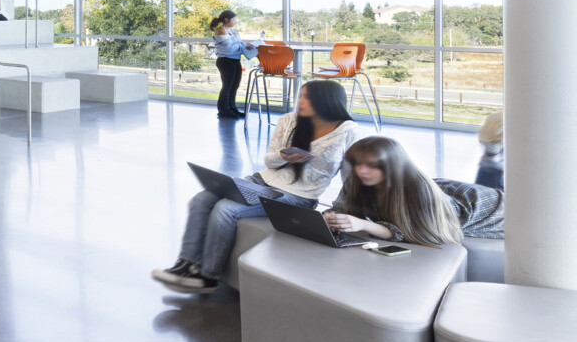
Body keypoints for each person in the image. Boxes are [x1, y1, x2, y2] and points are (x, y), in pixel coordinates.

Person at [152, 80, 359, 292]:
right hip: (261, 180)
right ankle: (186, 263)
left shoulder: (348, 130)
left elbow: (350, 177)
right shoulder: (289, 120)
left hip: (299, 196)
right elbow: (269, 161)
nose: (300, 101)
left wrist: (339, 212)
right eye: (301, 96)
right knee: (201, 199)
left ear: (326, 101)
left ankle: (207, 276)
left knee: (226, 210)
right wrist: (284, 156)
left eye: (307, 97)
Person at [328, 135, 504, 245]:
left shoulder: (422, 194)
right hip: (450, 193)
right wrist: (330, 217)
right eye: (357, 163)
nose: (361, 170)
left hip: (495, 210)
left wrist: (366, 225)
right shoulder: (358, 178)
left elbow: (427, 234)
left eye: (372, 165)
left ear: (391, 167)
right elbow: (340, 207)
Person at [210, 10, 258, 119]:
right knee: (227, 86)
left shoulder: (232, 30)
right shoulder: (221, 31)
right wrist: (244, 45)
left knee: (234, 86)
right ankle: (223, 110)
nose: (235, 21)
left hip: (235, 60)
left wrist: (245, 45)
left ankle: (232, 108)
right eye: (233, 19)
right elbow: (230, 47)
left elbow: (238, 44)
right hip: (226, 61)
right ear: (227, 20)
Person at [475, 110, 504, 190]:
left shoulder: (499, 115)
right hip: (493, 139)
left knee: (489, 156)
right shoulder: (505, 120)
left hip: (484, 137)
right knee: (491, 161)